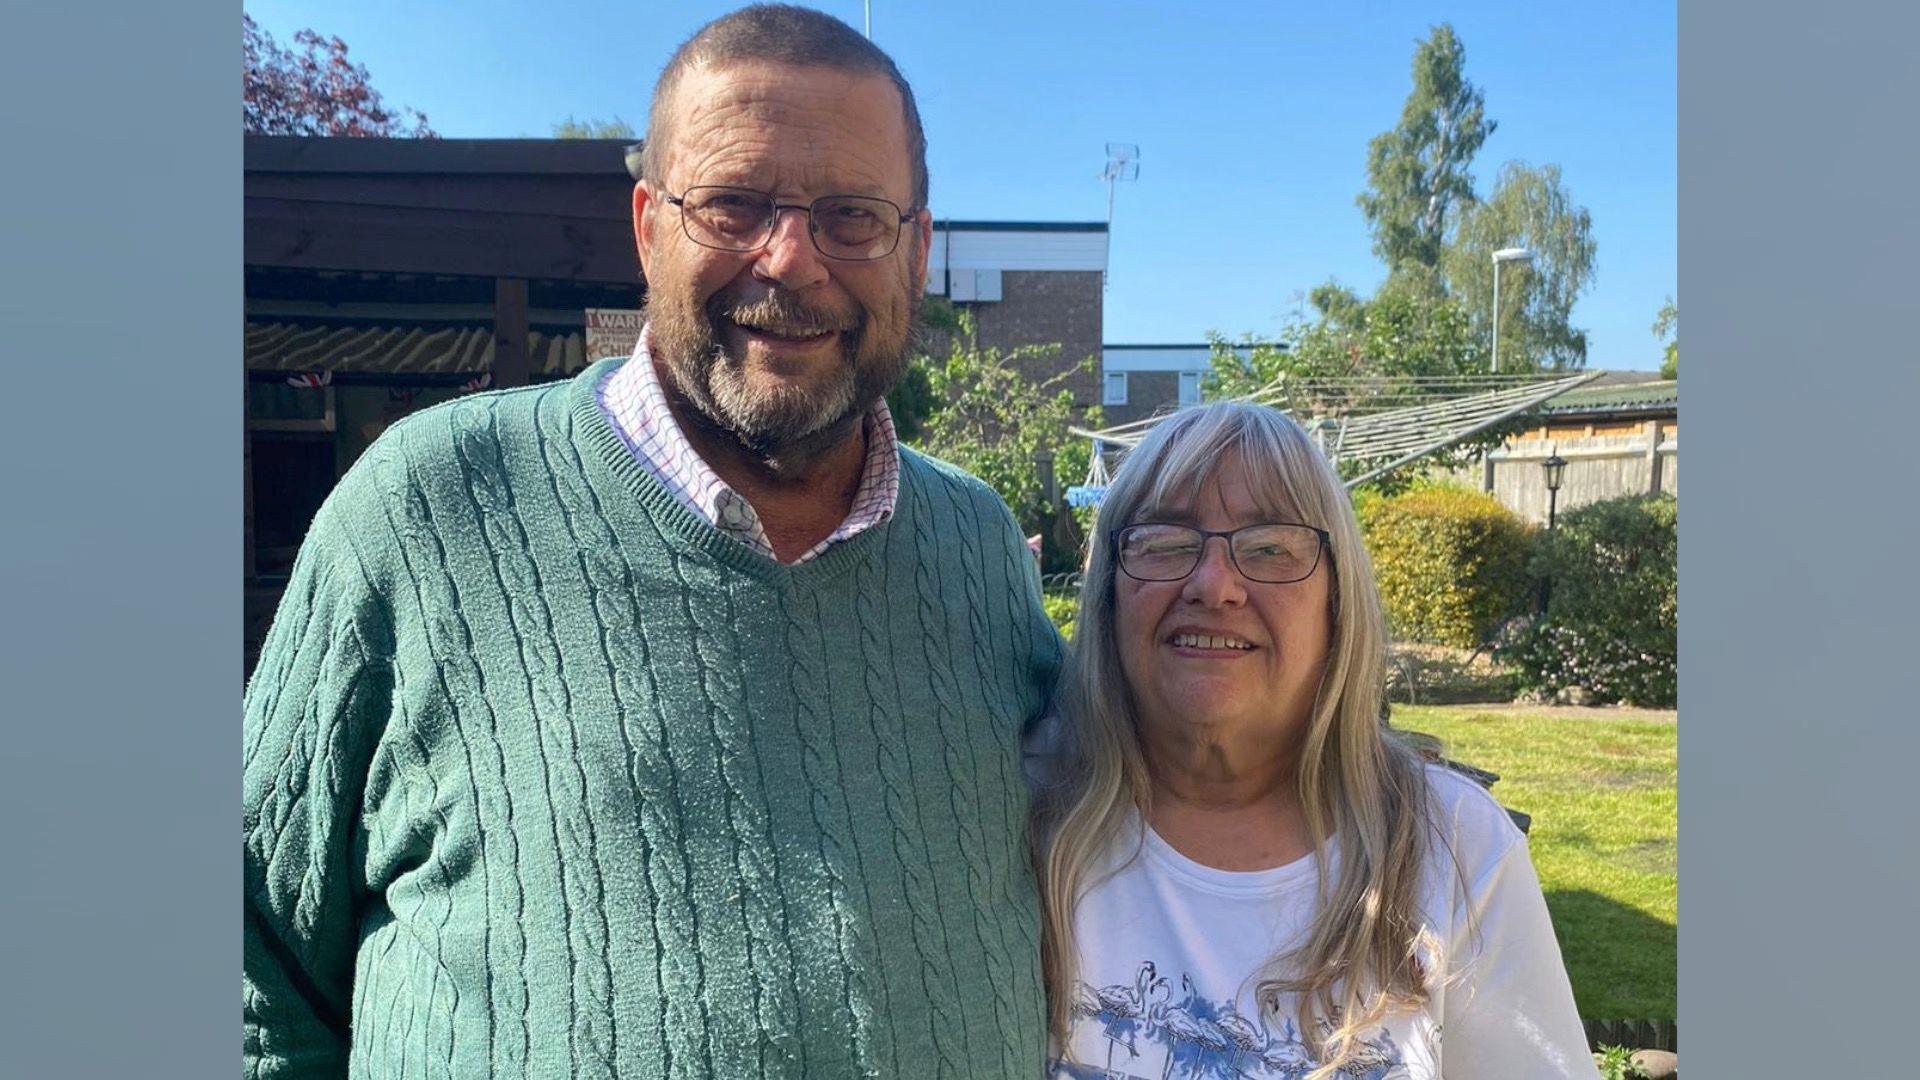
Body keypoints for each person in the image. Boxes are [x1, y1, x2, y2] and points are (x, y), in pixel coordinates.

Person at [243, 6, 1061, 1078]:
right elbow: (252, 965)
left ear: (916, 248)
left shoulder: (979, 544)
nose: (792, 260)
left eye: (853, 216)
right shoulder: (429, 503)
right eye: (732, 205)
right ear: (647, 228)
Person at [1029, 403, 1595, 1079]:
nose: (1213, 585)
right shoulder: (1024, 817)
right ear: (1110, 594)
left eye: (1270, 547)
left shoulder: (1455, 845)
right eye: (1165, 543)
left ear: (1336, 601)